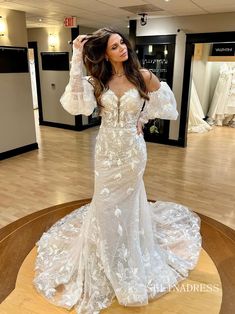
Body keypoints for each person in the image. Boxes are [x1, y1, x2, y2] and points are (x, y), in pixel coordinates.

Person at [33, 28, 202, 314]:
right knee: (105, 203)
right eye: (114, 46)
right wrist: (76, 56)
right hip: (106, 151)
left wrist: (142, 119)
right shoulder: (97, 81)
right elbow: (76, 105)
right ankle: (105, 255)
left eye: (122, 42)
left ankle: (131, 249)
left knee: (129, 201)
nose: (122, 48)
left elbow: (168, 107)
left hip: (133, 153)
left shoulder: (143, 76)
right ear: (105, 54)